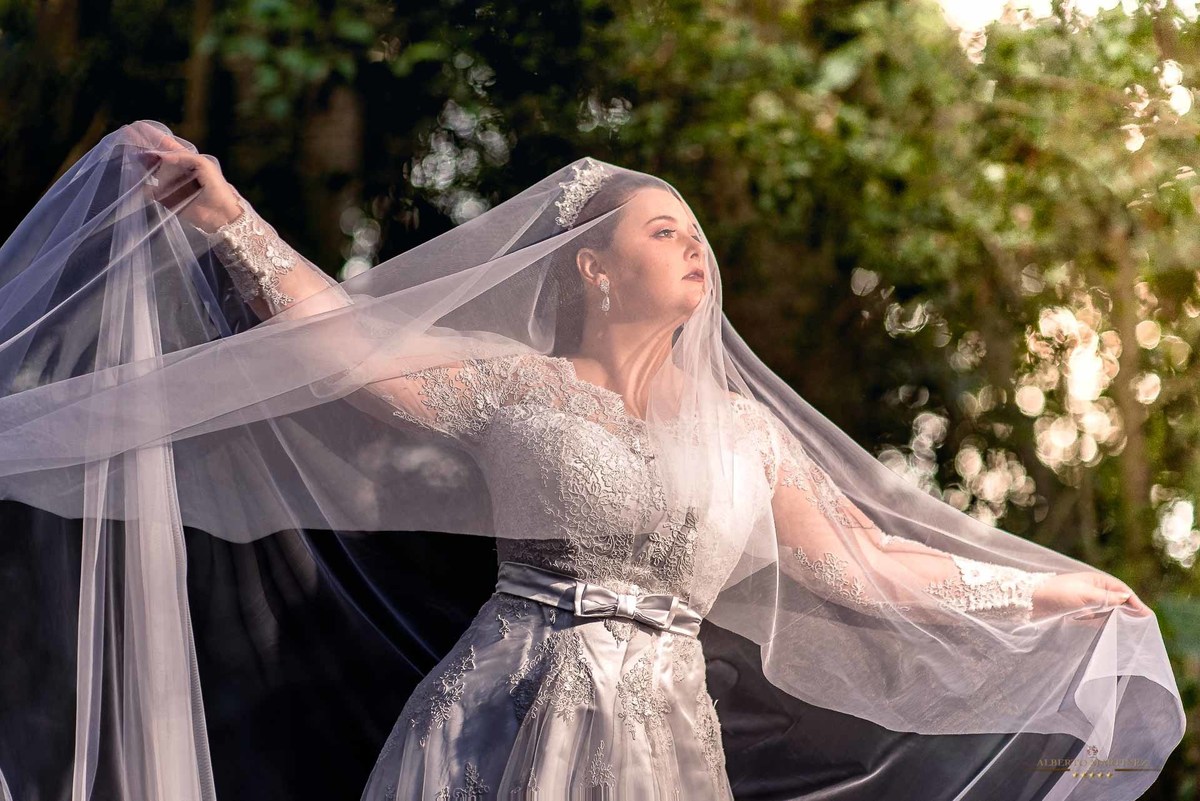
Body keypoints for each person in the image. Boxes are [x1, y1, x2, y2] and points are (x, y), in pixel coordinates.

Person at [0, 120, 1184, 801]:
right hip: (499, 722)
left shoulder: (746, 435)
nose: (695, 249)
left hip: (662, 744)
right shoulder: (517, 383)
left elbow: (864, 565)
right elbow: (351, 347)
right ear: (594, 268)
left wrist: (1057, 591)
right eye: (664, 230)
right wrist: (226, 216)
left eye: (699, 235)